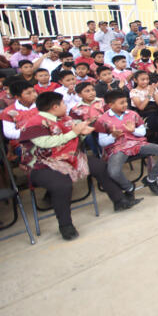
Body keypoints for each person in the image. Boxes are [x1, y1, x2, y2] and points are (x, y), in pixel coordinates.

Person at [18, 91, 141, 240]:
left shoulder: (65, 119)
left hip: (70, 158)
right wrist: (74, 132)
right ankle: (65, 225)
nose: (65, 106)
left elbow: (75, 138)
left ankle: (119, 200)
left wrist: (82, 133)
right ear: (55, 107)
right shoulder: (35, 123)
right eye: (63, 104)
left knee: (100, 166)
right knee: (62, 184)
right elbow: (45, 143)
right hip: (42, 164)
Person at [96, 89, 158, 196]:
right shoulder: (102, 120)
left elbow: (143, 132)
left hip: (137, 144)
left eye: (126, 102)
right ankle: (129, 187)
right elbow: (102, 142)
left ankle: (151, 179)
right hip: (118, 148)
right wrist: (113, 136)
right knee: (113, 172)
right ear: (111, 105)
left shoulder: (132, 114)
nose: (125, 104)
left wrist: (133, 131)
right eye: (121, 103)